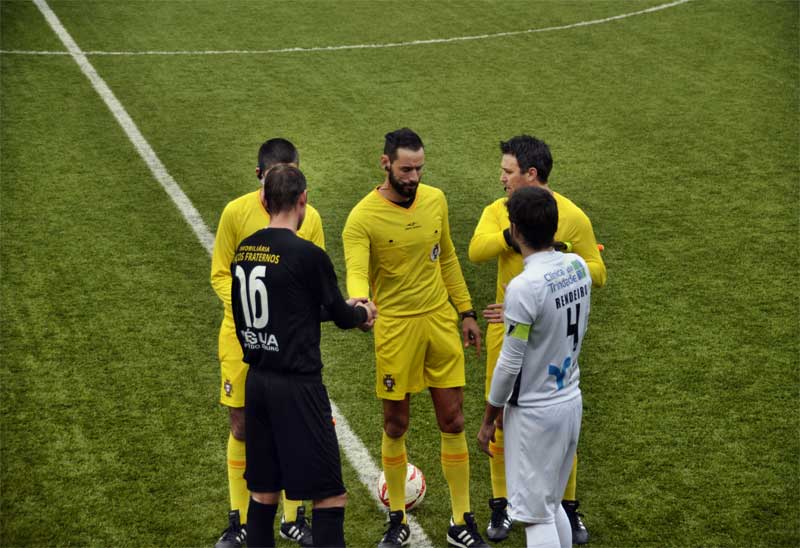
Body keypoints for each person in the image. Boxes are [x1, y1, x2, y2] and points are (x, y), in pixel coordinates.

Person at [342, 128, 488, 548]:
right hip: (395, 328)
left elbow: (448, 258)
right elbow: (355, 269)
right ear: (385, 163)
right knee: (396, 422)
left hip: (439, 322)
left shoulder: (436, 200)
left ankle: (461, 520)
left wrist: (465, 311)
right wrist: (360, 302)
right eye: (406, 168)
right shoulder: (362, 218)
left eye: (420, 168)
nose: (415, 176)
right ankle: (397, 519)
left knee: (453, 419)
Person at [468, 135, 606, 544]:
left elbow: (512, 363)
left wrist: (490, 417)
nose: (502, 180)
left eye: (508, 172)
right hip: (568, 392)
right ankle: (501, 505)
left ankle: (557, 507)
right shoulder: (575, 267)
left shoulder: (526, 288)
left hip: (534, 404)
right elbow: (479, 250)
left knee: (537, 517)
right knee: (547, 507)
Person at [231, 164, 376, 548]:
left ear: (263, 200)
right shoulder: (307, 254)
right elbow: (343, 317)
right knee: (329, 494)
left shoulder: (244, 249)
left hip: (257, 382)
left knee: (263, 492)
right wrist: (362, 313)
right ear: (303, 200)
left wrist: (336, 308)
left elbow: (293, 308)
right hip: (298, 387)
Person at [211, 139, 323, 548]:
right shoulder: (235, 213)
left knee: (290, 423)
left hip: (290, 341)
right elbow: (221, 272)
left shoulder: (310, 217)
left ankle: (293, 518)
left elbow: (316, 277)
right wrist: (248, 308)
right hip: (243, 338)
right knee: (241, 425)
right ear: (261, 176)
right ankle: (238, 520)